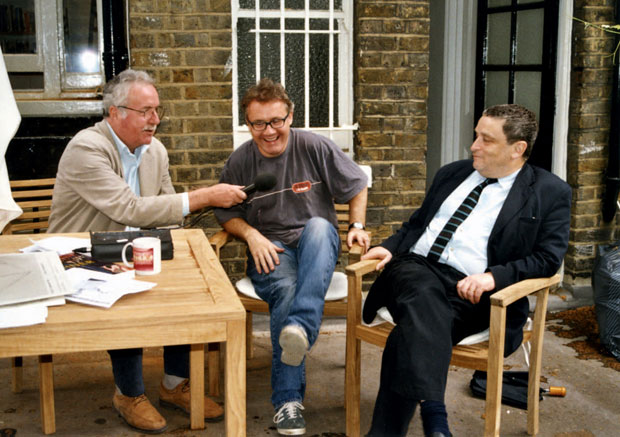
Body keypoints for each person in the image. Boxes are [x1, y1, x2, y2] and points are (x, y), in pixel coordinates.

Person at [49, 69, 247, 434]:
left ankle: (174, 385)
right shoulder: (86, 147)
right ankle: (129, 393)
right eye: (146, 111)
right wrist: (207, 195)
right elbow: (131, 209)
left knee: (186, 289)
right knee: (126, 296)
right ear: (115, 113)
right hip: (82, 253)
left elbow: (166, 206)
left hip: (136, 248)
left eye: (157, 110)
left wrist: (180, 259)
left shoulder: (155, 149)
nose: (155, 120)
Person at [361, 104, 571, 437]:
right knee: (423, 293)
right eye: (476, 136)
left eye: (486, 140)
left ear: (518, 149)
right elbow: (417, 224)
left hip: (474, 293)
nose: (473, 146)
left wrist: (493, 277)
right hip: (415, 270)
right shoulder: (452, 173)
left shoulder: (550, 192)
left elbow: (548, 258)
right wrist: (388, 246)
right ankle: (434, 411)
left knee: (415, 332)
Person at [214, 78, 370, 435]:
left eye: (276, 121)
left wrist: (357, 224)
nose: (268, 131)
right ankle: (288, 402)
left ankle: (300, 326)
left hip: (317, 246)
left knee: (317, 226)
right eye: (258, 123)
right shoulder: (241, 160)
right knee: (286, 289)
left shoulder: (315, 146)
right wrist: (251, 236)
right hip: (272, 251)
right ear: (247, 123)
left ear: (290, 116)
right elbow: (225, 213)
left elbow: (357, 184)